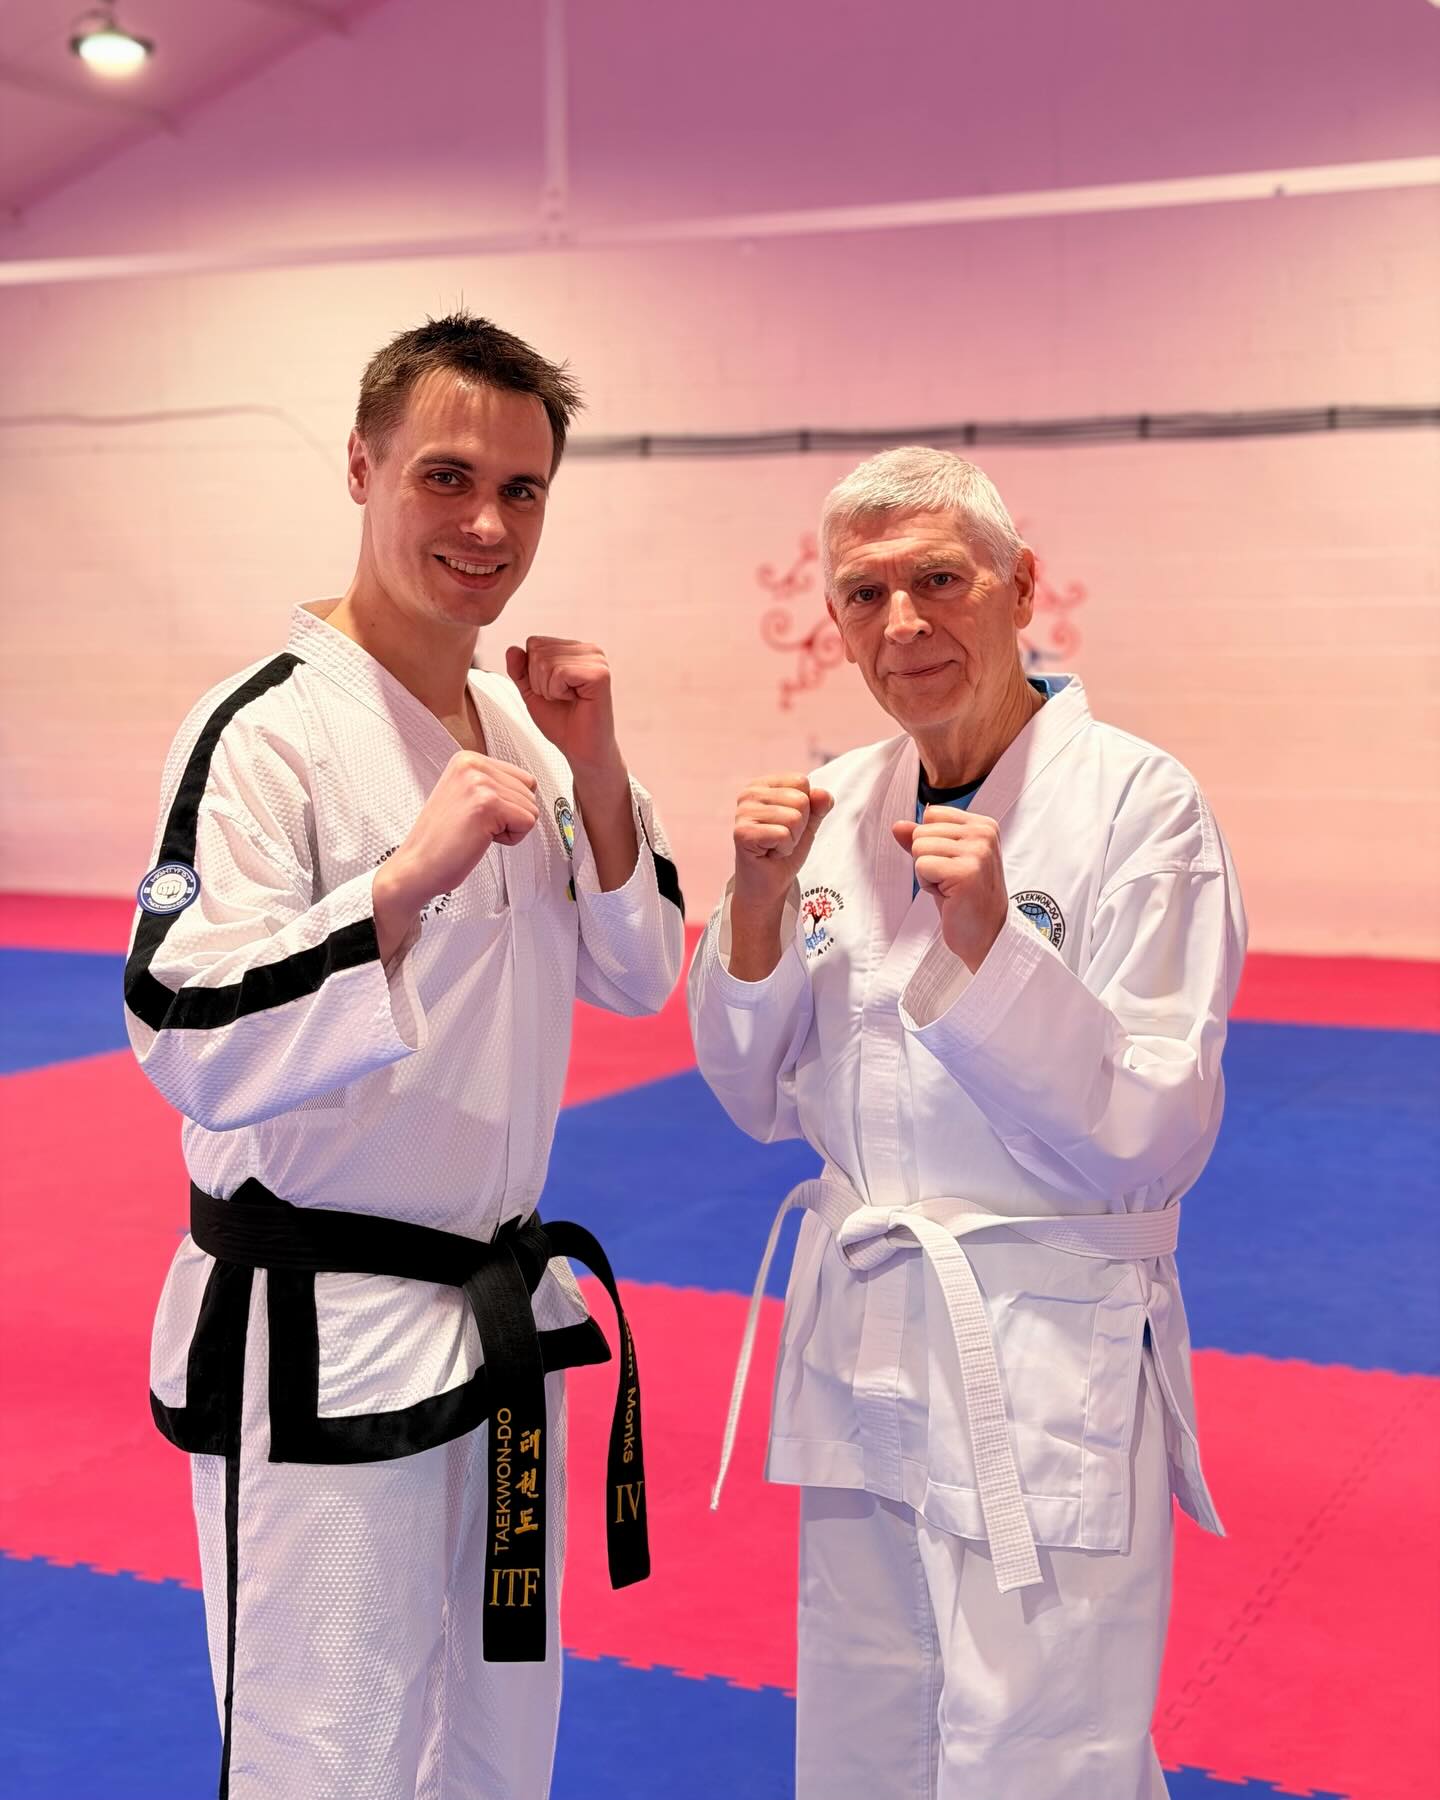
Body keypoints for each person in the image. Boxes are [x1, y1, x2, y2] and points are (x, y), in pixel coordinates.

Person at [124, 313, 685, 1800]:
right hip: (317, 1332)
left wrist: (606, 759)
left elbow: (640, 971)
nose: (487, 524)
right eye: (447, 477)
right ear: (363, 467)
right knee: (327, 1756)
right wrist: (394, 886)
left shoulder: (523, 716)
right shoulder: (263, 733)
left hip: (497, 1317)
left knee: (496, 1750)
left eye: (523, 488)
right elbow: (181, 1028)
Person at [689, 446, 1245, 1799]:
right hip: (869, 1327)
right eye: (864, 592)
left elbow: (1154, 1130)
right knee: (867, 1723)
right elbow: (757, 1097)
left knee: (1039, 1745)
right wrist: (751, 919)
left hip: (1044, 1341)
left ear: (1019, 589)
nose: (902, 623)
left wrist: (996, 951)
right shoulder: (838, 814)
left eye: (939, 579)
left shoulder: (1138, 806)